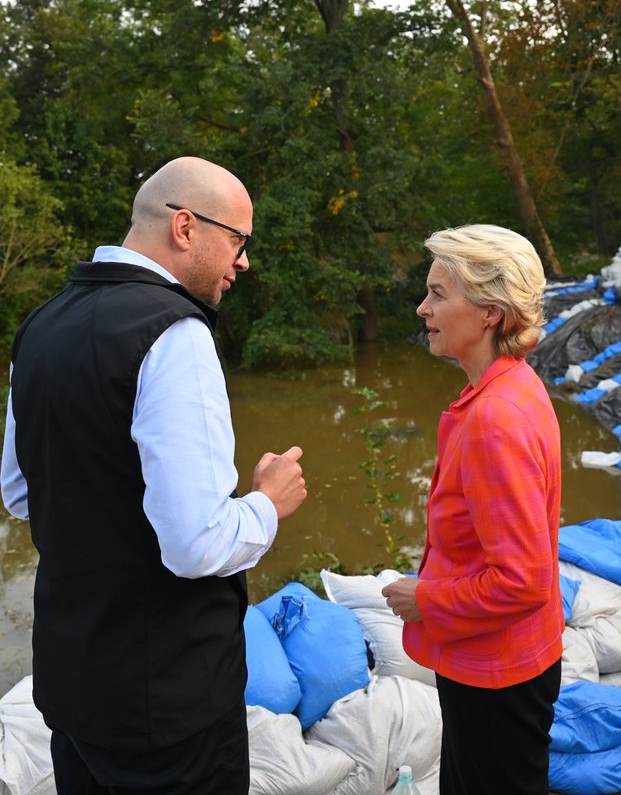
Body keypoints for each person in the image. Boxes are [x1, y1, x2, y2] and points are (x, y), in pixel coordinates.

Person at [1, 156, 307, 795]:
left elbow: (22, 492)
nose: (243, 261)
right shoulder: (174, 334)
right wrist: (266, 504)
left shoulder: (42, 324)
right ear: (187, 228)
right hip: (168, 705)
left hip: (75, 686)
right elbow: (195, 545)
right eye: (238, 240)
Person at [382, 224, 563, 795]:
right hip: (504, 660)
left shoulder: (495, 418)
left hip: (496, 672)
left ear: (489, 311)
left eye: (438, 294)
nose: (422, 308)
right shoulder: (512, 387)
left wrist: (425, 599)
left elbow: (521, 580)